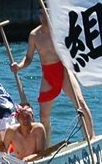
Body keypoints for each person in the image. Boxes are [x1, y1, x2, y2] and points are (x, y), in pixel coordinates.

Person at [11, 9, 94, 141]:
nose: (44, 17)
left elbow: (75, 46)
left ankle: (90, 136)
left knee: (80, 103)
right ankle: (46, 146)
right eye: (41, 14)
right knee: (43, 115)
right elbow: (28, 58)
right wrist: (19, 66)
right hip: (48, 74)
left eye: (47, 14)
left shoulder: (60, 31)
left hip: (63, 69)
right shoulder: (34, 35)